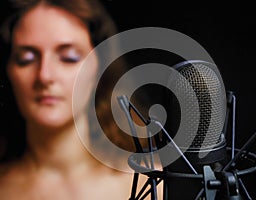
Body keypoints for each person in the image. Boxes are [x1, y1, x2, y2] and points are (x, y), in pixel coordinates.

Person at [0, 0, 154, 199]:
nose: (45, 75)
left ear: (99, 67)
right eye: (26, 59)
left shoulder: (147, 184)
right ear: (8, 70)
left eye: (69, 57)